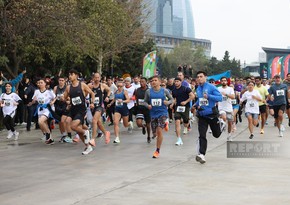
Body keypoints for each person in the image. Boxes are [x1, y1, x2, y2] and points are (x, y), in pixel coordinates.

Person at [63, 69, 95, 154]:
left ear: (76, 76)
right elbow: (64, 97)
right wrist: (64, 99)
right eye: (69, 75)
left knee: (73, 126)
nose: (70, 76)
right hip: (73, 109)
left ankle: (86, 132)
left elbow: (92, 93)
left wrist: (92, 103)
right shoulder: (68, 87)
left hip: (81, 110)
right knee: (73, 126)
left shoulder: (82, 85)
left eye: (72, 74)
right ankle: (88, 147)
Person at [194, 71, 223, 164]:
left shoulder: (211, 87)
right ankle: (202, 154)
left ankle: (221, 125)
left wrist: (209, 96)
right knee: (202, 135)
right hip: (202, 115)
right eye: (198, 77)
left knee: (216, 135)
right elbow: (200, 100)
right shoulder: (198, 88)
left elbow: (220, 98)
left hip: (212, 115)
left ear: (205, 77)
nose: (199, 78)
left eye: (201, 76)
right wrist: (195, 105)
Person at [144, 75, 173, 158]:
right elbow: (145, 102)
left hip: (163, 113)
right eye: (152, 81)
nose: (153, 82)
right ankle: (165, 124)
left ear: (160, 82)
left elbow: (172, 99)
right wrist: (148, 106)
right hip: (153, 114)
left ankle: (157, 150)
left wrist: (168, 102)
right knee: (155, 133)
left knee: (159, 131)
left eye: (155, 80)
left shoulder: (164, 91)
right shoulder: (148, 92)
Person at [28, 79, 56, 144]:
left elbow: (55, 97)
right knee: (42, 123)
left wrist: (52, 102)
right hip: (40, 109)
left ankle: (48, 135)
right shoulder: (36, 91)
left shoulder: (49, 92)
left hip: (47, 109)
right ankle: (50, 138)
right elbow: (34, 99)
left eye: (41, 82)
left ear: (45, 84)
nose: (40, 84)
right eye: (39, 83)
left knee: (41, 121)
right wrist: (31, 102)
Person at [87, 72, 111, 146]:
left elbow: (109, 90)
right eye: (95, 77)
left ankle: (93, 139)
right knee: (99, 123)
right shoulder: (90, 86)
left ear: (100, 78)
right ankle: (106, 133)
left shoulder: (102, 85)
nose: (97, 79)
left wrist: (107, 97)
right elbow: (84, 92)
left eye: (98, 77)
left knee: (94, 120)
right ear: (93, 78)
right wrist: (87, 100)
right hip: (92, 107)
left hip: (100, 107)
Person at [170, 77, 195, 145]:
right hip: (178, 108)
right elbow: (175, 98)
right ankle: (179, 139)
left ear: (181, 82)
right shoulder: (174, 90)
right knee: (177, 121)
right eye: (175, 81)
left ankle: (187, 125)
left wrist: (186, 102)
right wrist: (172, 104)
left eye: (178, 81)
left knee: (185, 122)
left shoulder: (186, 88)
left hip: (185, 107)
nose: (176, 83)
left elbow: (192, 96)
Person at [53, 76, 72, 143]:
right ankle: (63, 135)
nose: (61, 81)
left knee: (64, 120)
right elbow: (53, 97)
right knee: (60, 121)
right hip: (58, 106)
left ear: (65, 81)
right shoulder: (55, 88)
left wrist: (65, 99)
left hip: (65, 105)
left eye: (62, 80)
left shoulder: (67, 87)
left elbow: (70, 97)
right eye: (60, 80)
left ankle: (69, 135)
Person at [217, 76, 235, 141]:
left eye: (225, 80)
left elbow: (233, 97)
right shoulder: (218, 89)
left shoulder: (230, 89)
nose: (223, 82)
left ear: (227, 82)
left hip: (229, 107)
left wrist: (226, 94)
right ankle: (223, 125)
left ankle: (229, 135)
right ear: (220, 82)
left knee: (230, 123)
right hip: (221, 107)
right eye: (222, 81)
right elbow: (215, 96)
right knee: (224, 118)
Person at [134, 77, 151, 143]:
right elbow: (136, 97)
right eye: (140, 82)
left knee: (148, 124)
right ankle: (143, 126)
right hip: (140, 109)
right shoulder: (137, 90)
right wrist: (137, 104)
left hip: (147, 109)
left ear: (146, 82)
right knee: (138, 123)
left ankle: (148, 136)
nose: (141, 83)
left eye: (143, 82)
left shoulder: (149, 90)